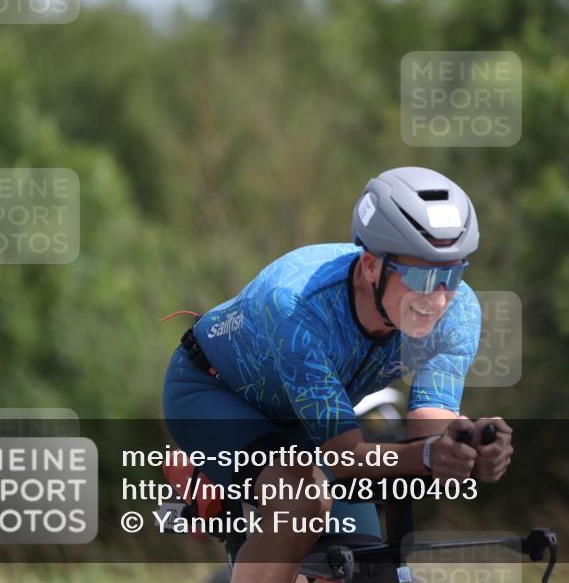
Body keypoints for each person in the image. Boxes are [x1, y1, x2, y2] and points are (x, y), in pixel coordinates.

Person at [162, 166, 514, 583]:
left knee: (364, 563)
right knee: (301, 503)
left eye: (451, 275)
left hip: (306, 417)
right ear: (370, 265)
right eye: (420, 276)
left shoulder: (458, 311)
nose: (436, 298)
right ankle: (205, 476)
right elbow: (344, 459)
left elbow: (429, 426)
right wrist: (425, 456)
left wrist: (469, 447)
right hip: (214, 392)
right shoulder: (297, 305)